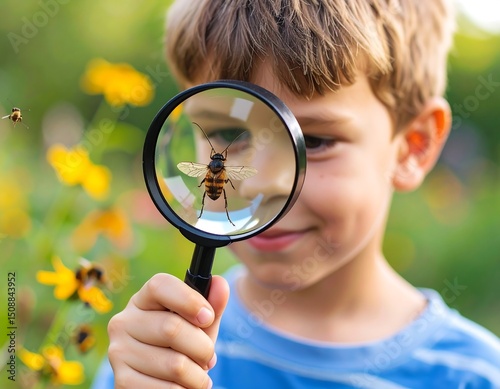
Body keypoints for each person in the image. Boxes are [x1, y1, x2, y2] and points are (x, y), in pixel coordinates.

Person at [93, 0, 500, 388]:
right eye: (228, 133)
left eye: (316, 141)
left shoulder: (475, 377)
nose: (258, 184)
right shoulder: (158, 352)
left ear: (414, 145)